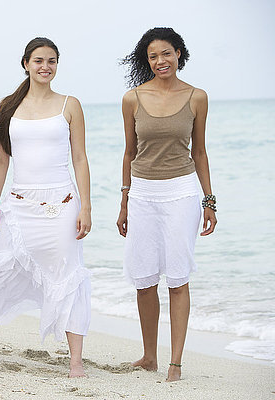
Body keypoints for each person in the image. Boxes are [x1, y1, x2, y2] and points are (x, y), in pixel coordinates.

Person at [0, 37, 92, 378]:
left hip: (61, 205)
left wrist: (86, 206)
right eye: (38, 60)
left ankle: (75, 362)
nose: (45, 66)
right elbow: (1, 160)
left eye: (51, 61)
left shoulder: (69, 105)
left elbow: (80, 158)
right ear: (26, 64)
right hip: (17, 207)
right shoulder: (10, 106)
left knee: (68, 275)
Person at [117, 27, 217, 382]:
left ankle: (175, 362)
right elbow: (129, 152)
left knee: (177, 277)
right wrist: (124, 201)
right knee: (144, 279)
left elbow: (200, 152)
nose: (161, 61)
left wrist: (209, 200)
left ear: (179, 54)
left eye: (166, 54)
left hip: (181, 193)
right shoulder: (132, 98)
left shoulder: (197, 97)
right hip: (142, 193)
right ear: (147, 61)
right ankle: (148, 356)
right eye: (153, 56)